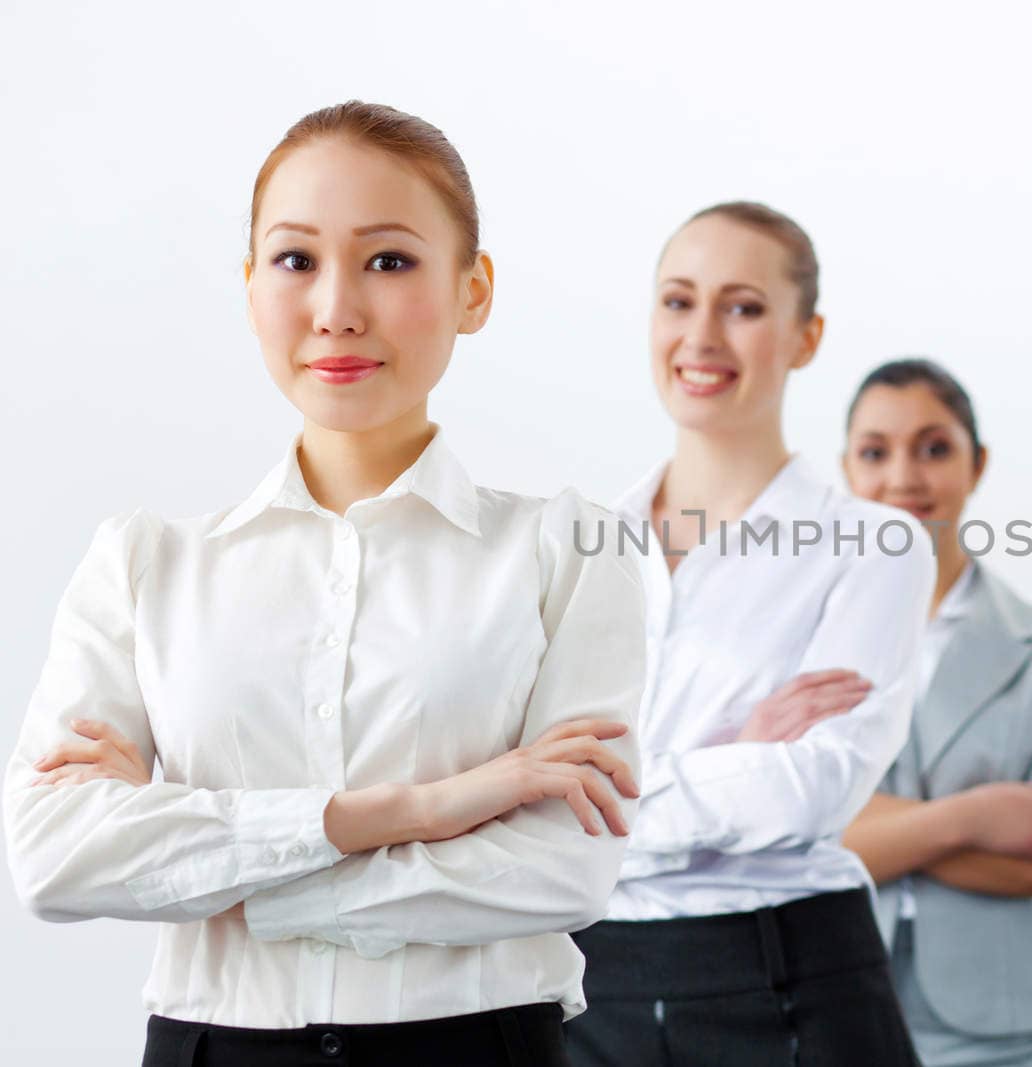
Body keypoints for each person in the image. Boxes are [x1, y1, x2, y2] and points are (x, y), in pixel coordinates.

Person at [3, 101, 645, 1067]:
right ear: (251, 284)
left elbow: (561, 871)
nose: (336, 307)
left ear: (475, 292)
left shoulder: (573, 547)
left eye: (389, 260)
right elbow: (52, 857)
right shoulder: (145, 564)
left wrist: (219, 870)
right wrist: (419, 809)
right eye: (296, 260)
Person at [562, 203, 933, 1067]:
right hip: (586, 983)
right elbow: (503, 783)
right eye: (678, 301)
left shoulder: (875, 544)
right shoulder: (569, 545)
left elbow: (813, 789)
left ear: (807, 336)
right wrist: (735, 753)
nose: (702, 335)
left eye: (744, 306)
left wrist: (592, 798)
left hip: (789, 975)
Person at [838, 358, 1032, 1066]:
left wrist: (867, 827)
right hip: (836, 1014)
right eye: (876, 451)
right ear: (846, 469)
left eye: (934, 448)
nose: (904, 476)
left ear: (977, 462)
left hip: (1021, 1035)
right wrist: (978, 816)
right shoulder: (796, 643)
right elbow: (782, 838)